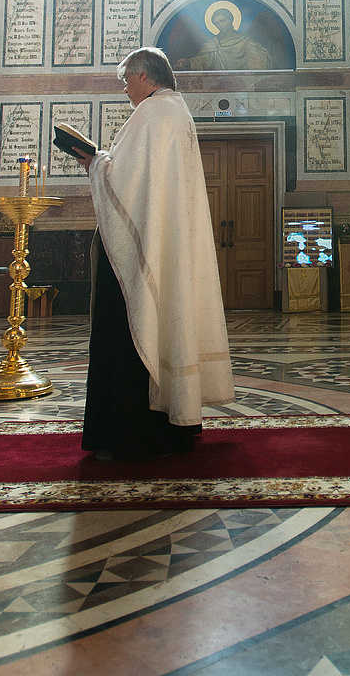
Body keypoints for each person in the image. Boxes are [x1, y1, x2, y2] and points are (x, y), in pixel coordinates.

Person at [73, 46, 234, 461]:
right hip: (164, 241)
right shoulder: (176, 111)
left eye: (127, 78)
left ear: (145, 76)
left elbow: (122, 178)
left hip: (141, 245)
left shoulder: (152, 113)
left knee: (129, 325)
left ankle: (129, 432)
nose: (125, 87)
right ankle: (170, 425)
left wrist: (94, 161)